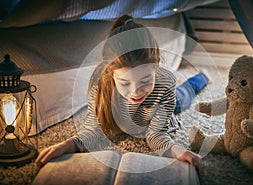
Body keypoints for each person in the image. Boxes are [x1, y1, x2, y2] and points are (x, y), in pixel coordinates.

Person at [35, 15, 208, 172]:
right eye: (125, 83)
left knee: (184, 96)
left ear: (156, 69)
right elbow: (93, 131)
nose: (135, 91)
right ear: (111, 74)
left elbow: (156, 134)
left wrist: (179, 151)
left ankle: (202, 77)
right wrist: (67, 145)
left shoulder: (163, 85)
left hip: (160, 105)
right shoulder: (99, 82)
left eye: (145, 80)